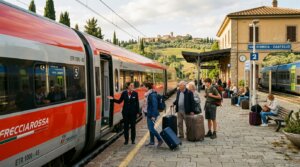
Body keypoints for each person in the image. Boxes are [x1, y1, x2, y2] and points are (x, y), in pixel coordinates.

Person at [144, 82, 163, 147]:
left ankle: (160, 139)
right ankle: (152, 141)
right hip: (149, 113)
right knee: (150, 128)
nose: (144, 88)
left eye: (144, 87)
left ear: (147, 87)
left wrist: (153, 116)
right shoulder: (148, 94)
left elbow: (155, 106)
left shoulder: (152, 95)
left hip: (152, 114)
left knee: (151, 128)